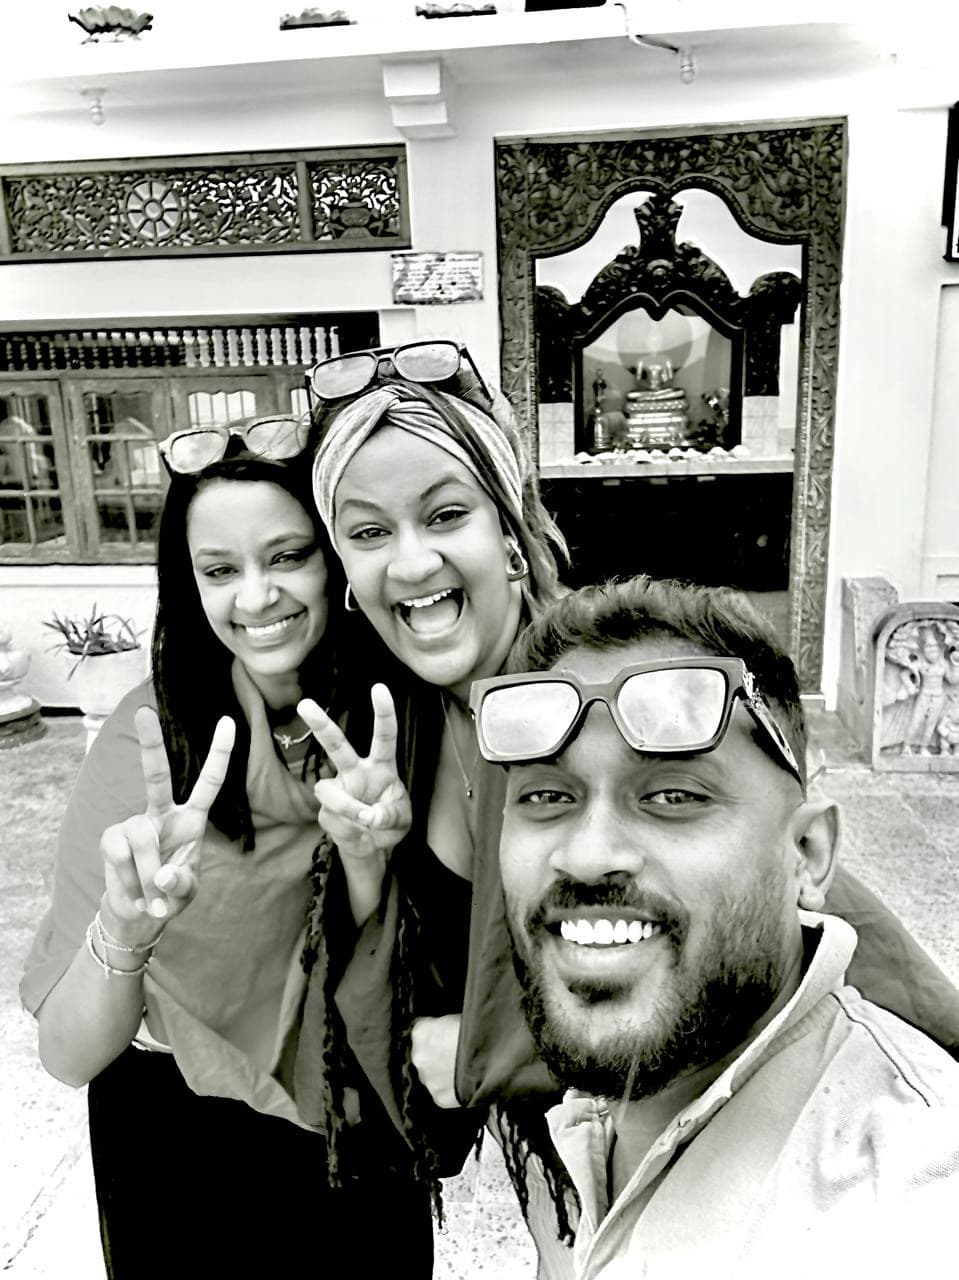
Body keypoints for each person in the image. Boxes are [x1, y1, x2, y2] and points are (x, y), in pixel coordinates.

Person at [292, 341, 959, 1261]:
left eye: (445, 514)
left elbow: (798, 917)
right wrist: (367, 856)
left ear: (511, 535)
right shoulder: (392, 725)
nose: (410, 562)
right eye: (367, 533)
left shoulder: (624, 689)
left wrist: (490, 1061)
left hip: (676, 1138)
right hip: (546, 1151)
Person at [19, 419, 435, 1278]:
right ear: (188, 585)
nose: (255, 597)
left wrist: (366, 859)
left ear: (337, 563)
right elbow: (68, 1056)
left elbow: (406, 982)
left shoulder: (403, 725)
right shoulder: (149, 743)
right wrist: (127, 926)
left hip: (353, 1116)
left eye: (287, 557)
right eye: (219, 570)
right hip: (176, 1140)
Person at [473, 575, 959, 1276]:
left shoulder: (904, 1191)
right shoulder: (607, 1101)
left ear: (807, 854)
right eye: (547, 796)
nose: (586, 854)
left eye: (673, 795)